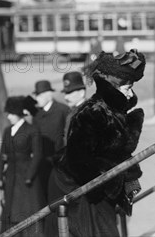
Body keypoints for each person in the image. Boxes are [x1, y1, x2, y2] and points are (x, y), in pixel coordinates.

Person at [47, 50, 146, 237]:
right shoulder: (92, 112)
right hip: (85, 192)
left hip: (101, 191)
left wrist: (129, 177)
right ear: (113, 87)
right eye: (126, 88)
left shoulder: (114, 110)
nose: (130, 93)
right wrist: (107, 184)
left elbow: (118, 153)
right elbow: (78, 159)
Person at [0, 96, 46, 237]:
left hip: (27, 181)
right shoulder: (7, 131)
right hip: (11, 179)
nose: (9, 116)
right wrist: (0, 177)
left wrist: (29, 177)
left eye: (12, 114)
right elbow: (2, 156)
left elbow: (37, 155)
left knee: (29, 215)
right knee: (11, 216)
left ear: (19, 114)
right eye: (8, 113)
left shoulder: (32, 129)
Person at [31, 80, 70, 199]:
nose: (37, 98)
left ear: (49, 94)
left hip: (59, 162)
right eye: (36, 95)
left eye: (40, 95)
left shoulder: (63, 110)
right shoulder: (37, 114)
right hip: (42, 162)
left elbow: (68, 134)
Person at [60, 71, 87, 144]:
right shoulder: (72, 111)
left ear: (82, 93)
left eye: (69, 93)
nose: (66, 97)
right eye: (65, 93)